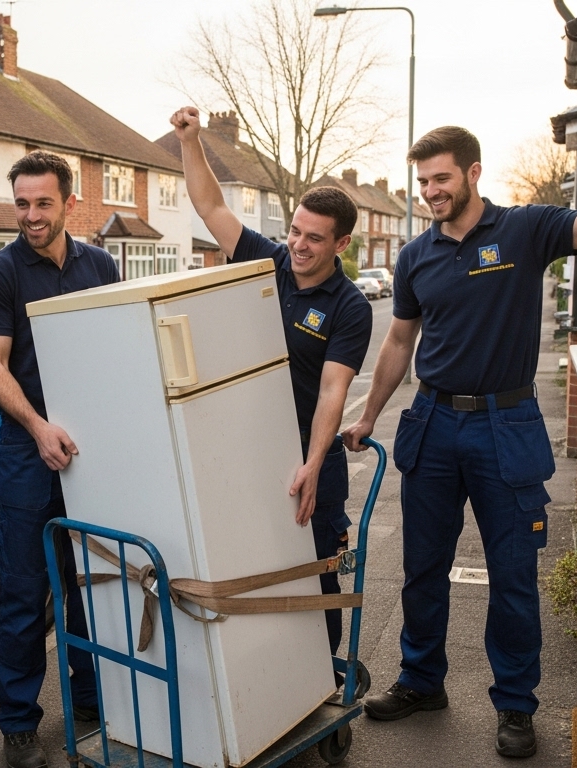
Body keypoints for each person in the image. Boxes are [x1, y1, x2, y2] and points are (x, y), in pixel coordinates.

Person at [340, 126, 577, 758]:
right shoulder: (416, 257)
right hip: (433, 424)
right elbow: (397, 342)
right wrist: (369, 417)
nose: (430, 191)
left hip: (507, 424)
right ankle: (420, 681)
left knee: (515, 576)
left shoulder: (525, 230)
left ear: (472, 173)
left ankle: (517, 705)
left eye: (441, 178)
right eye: (422, 182)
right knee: (422, 569)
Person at [169, 106, 373, 680]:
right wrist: (191, 142)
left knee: (316, 572)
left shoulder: (349, 307)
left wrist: (311, 465)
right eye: (295, 232)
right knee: (254, 566)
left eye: (314, 239)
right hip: (251, 454)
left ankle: (321, 674)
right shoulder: (269, 261)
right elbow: (211, 207)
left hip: (309, 461)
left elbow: (333, 392)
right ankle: (270, 682)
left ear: (340, 243)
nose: (300, 246)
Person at [0, 151, 118, 768]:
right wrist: (37, 427)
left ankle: (90, 699)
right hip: (27, 454)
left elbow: (117, 350)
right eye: (22, 203)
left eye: (43, 203)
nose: (30, 215)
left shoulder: (102, 265)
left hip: (91, 450)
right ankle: (19, 724)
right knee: (27, 592)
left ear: (69, 202)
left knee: (94, 582)